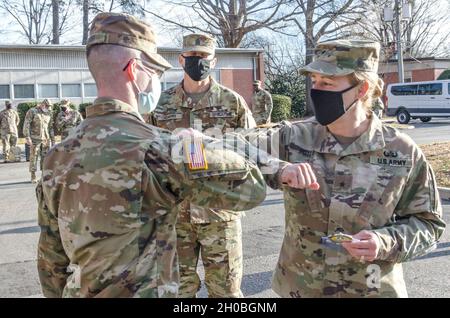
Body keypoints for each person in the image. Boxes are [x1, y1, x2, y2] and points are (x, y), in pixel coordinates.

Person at [36, 12, 269, 298]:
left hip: (215, 222)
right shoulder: (160, 147)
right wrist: (197, 145)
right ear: (134, 70)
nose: (157, 79)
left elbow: (51, 259)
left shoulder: (56, 156)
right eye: (154, 71)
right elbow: (251, 187)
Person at [243, 39, 445, 297]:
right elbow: (230, 147)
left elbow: (429, 224)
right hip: (301, 288)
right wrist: (278, 168)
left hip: (370, 290)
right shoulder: (293, 137)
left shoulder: (402, 151)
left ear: (362, 89)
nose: (316, 91)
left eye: (327, 83)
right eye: (314, 81)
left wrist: (386, 241)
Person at [151, 33, 255, 298]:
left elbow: (253, 152)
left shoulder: (232, 103)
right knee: (176, 291)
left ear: (214, 60)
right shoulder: (160, 104)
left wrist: (212, 149)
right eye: (192, 56)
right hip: (174, 217)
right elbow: (148, 155)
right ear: (181, 59)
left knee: (226, 292)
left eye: (203, 57)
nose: (198, 62)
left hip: (220, 215)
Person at [23, 99, 54, 183]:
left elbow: (50, 127)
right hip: (34, 139)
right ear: (42, 104)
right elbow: (26, 124)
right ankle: (33, 176)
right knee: (34, 157)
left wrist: (52, 140)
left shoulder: (49, 113)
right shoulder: (32, 111)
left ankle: (44, 176)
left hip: (45, 140)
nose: (48, 108)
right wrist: (27, 137)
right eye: (47, 106)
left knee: (45, 158)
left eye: (49, 107)